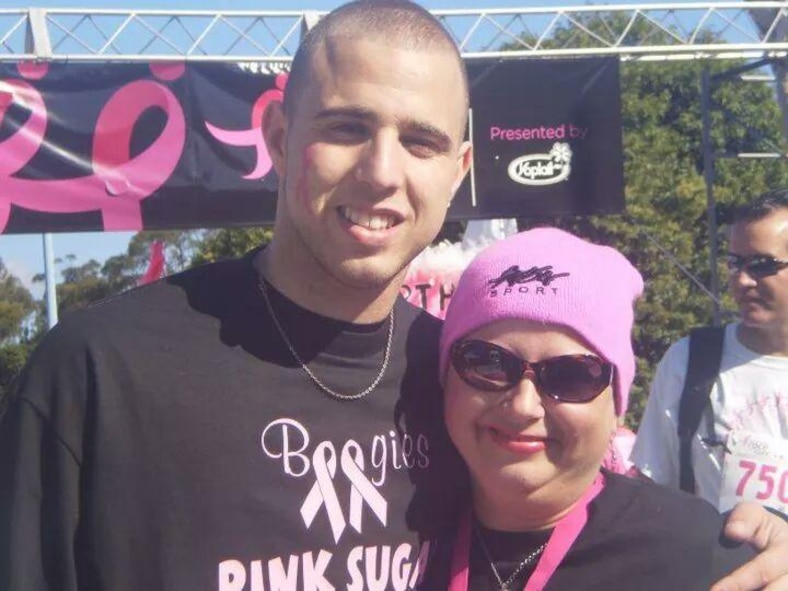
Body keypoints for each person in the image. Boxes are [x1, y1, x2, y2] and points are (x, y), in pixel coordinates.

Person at [0, 2, 786, 590]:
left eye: (420, 140)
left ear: (459, 168)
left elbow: (585, 504)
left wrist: (755, 542)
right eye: (345, 127)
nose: (382, 171)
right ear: (278, 137)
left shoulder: (460, 373)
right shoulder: (101, 369)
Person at [420, 227, 759, 590]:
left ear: (615, 407)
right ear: (446, 378)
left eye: (570, 376)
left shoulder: (700, 556)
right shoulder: (395, 533)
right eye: (488, 363)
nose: (523, 406)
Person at [633, 187, 788, 515]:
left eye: (762, 265)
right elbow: (651, 488)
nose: (743, 280)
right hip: (713, 564)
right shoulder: (689, 361)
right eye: (735, 263)